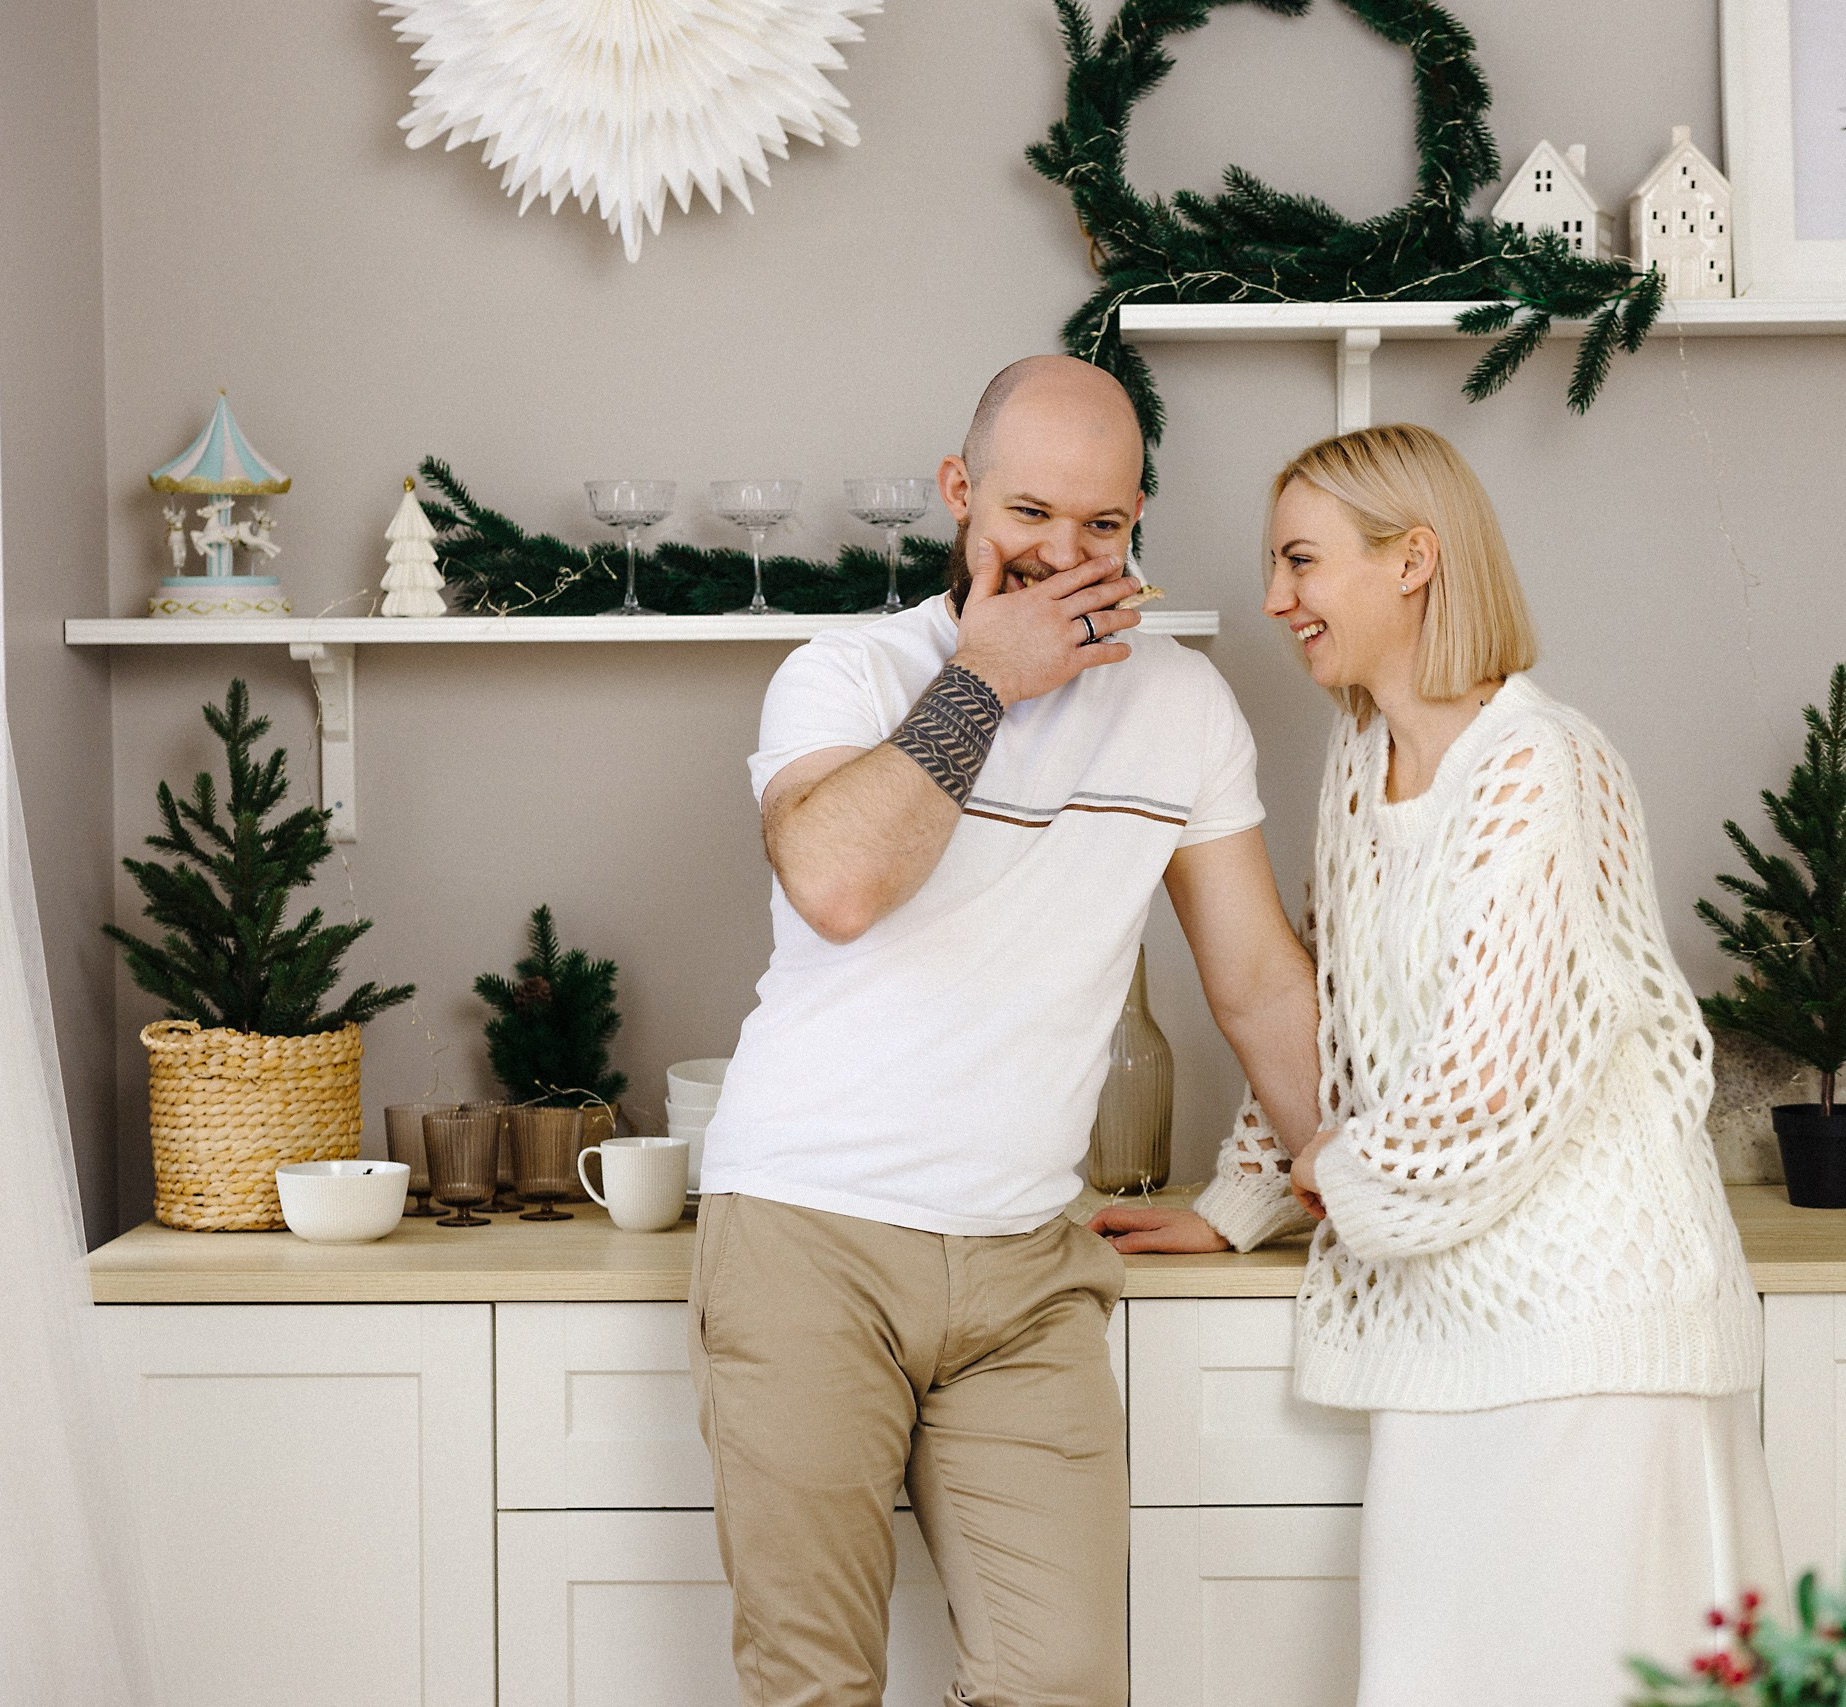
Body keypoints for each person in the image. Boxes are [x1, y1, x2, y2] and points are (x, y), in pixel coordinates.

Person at [1089, 423, 1783, 1707]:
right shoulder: (1363, 765)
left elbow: (1492, 1090)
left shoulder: (1538, 766)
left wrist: (1322, 1183)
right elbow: (1345, 1026)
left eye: (1301, 561)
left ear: (1413, 561)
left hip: (1591, 1332)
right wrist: (1239, 1204)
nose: (1275, 598)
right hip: (1460, 1321)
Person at [688, 355, 1322, 1707]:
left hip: (1029, 1263)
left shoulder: (1182, 706)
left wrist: (1336, 1169)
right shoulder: (845, 672)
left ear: (1138, 518)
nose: (1067, 555)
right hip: (810, 1230)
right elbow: (839, 883)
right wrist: (987, 677)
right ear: (961, 494)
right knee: (813, 1684)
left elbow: (1259, 977)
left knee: (1068, 1680)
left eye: (1105, 525)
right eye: (1032, 513)